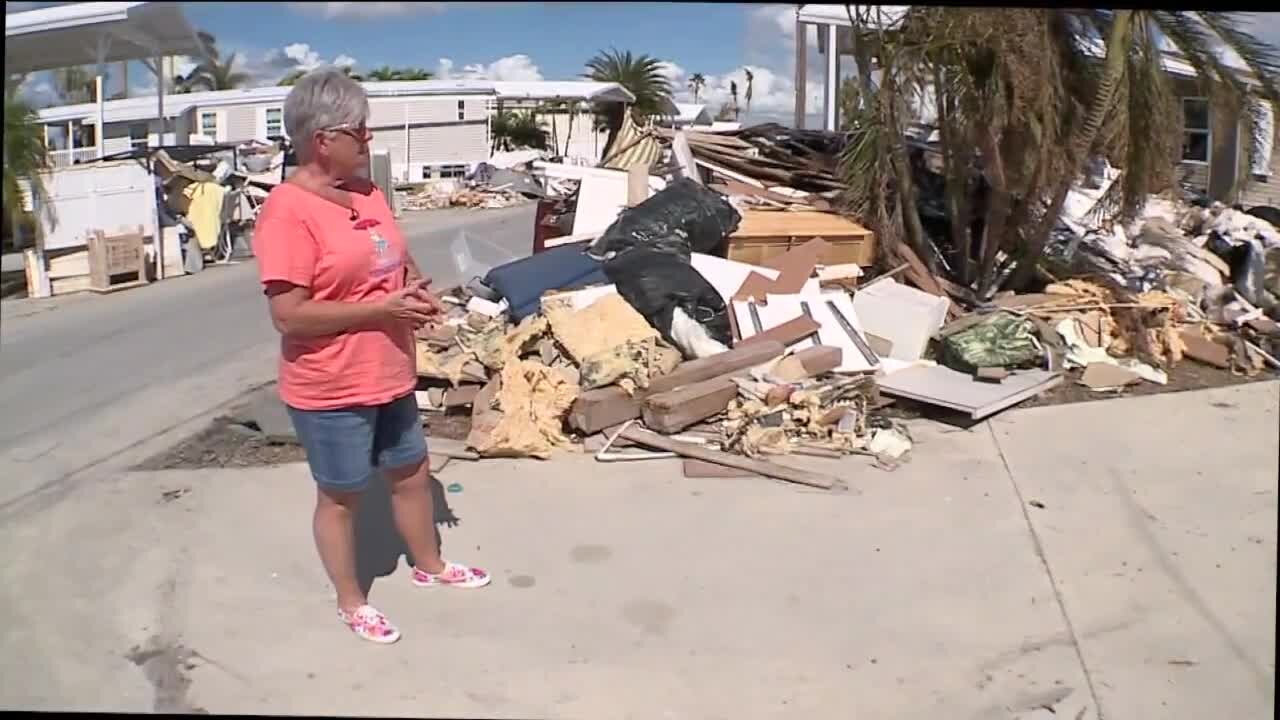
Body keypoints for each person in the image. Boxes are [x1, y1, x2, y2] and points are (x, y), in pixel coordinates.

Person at [251, 67, 489, 645]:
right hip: (331, 383)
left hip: (390, 371)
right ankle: (350, 599)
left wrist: (415, 292)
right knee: (343, 495)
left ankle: (430, 565)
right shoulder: (287, 211)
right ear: (320, 140)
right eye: (359, 131)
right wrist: (383, 312)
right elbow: (290, 315)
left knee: (411, 473)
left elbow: (392, 263)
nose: (369, 140)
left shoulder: (368, 193)